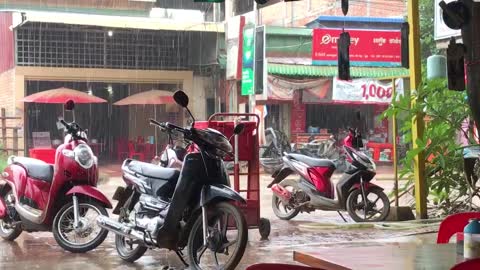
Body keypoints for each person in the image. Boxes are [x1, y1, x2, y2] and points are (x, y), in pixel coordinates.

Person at [461, 118, 480, 188]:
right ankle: (471, 185)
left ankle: (473, 184)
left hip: (473, 154)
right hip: (468, 154)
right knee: (469, 172)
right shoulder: (466, 131)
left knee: (472, 172)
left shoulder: (474, 132)